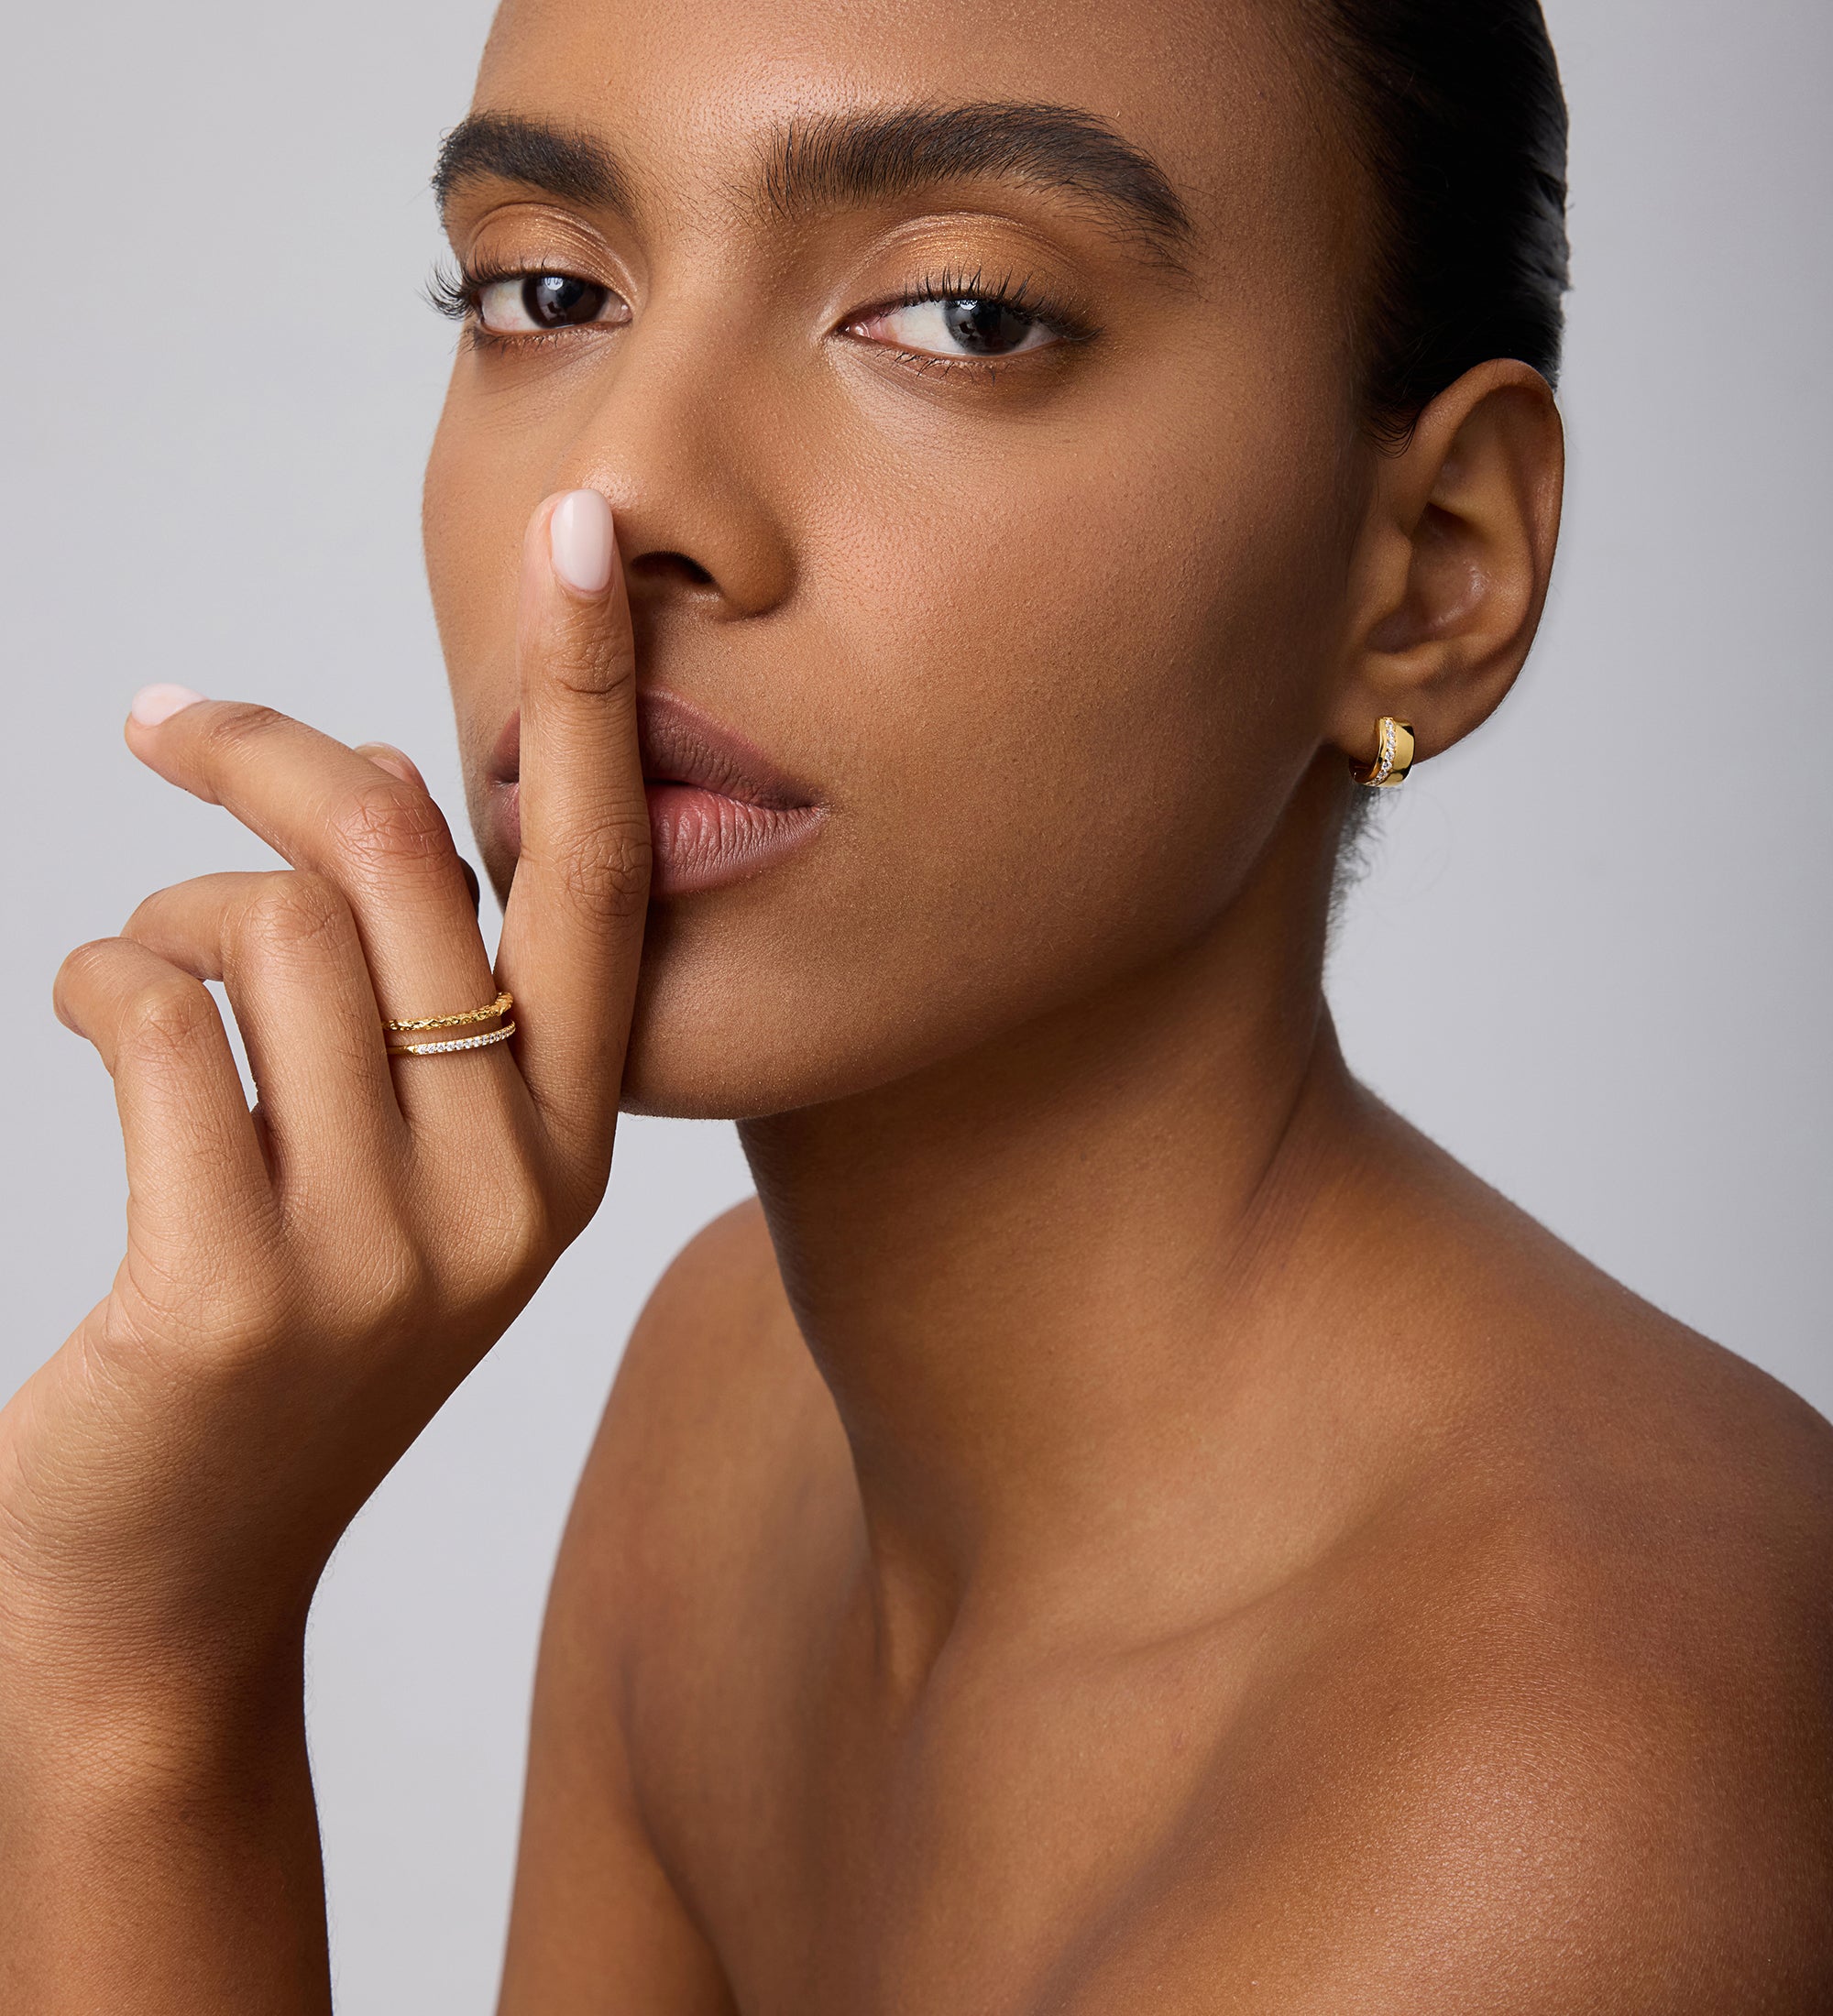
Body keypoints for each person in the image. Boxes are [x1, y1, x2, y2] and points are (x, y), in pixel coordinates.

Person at [4, 0, 1829, 2007]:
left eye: (963, 316)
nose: (617, 501)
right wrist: (146, 1622)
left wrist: (136, 1699)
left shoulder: (1585, 1775)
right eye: (548, 288)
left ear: (1431, 569)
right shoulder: (731, 1406)